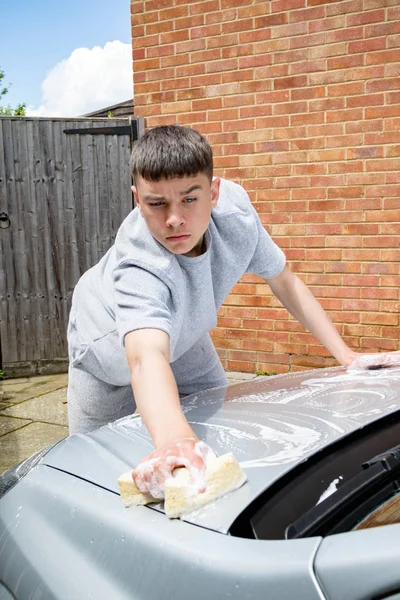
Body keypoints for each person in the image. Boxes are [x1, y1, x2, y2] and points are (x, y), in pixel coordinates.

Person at [67, 124, 399, 498]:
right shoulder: (139, 265)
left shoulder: (237, 216)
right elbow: (145, 358)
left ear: (214, 192)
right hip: (105, 355)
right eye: (156, 203)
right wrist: (175, 440)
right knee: (92, 476)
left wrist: (347, 355)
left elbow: (284, 280)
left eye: (190, 200)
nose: (174, 218)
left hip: (187, 339)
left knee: (218, 442)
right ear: (137, 199)